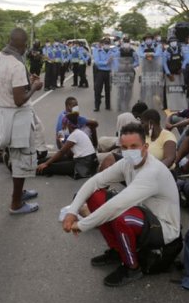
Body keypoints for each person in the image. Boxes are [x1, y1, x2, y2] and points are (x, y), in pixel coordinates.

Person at [61, 123, 181, 287]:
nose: (129, 151)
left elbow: (116, 206)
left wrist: (81, 225)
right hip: (143, 214)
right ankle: (118, 251)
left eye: (134, 146)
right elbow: (95, 181)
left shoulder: (151, 172)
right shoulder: (127, 163)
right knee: (95, 196)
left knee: (121, 216)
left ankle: (132, 267)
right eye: (124, 147)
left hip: (164, 227)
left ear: (145, 147)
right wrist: (72, 212)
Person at [0, 28, 44, 214]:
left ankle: (20, 192)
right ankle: (16, 203)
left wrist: (27, 82)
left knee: (14, 156)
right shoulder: (16, 65)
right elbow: (20, 99)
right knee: (22, 160)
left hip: (3, 114)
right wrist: (35, 87)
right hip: (18, 118)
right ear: (23, 45)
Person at [37, 114, 98, 179]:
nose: (63, 127)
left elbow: (62, 152)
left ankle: (31, 170)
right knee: (52, 159)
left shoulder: (75, 135)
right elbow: (69, 154)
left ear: (69, 125)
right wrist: (61, 140)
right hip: (85, 161)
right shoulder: (77, 133)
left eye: (64, 125)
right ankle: (36, 163)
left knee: (51, 167)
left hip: (84, 164)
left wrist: (46, 163)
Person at [93, 38, 113, 111]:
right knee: (98, 90)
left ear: (110, 44)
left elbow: (115, 61)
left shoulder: (112, 52)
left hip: (108, 72)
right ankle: (97, 106)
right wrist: (106, 62)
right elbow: (97, 62)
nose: (106, 45)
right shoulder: (98, 51)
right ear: (102, 44)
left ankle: (108, 105)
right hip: (100, 72)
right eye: (105, 43)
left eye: (108, 43)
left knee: (108, 90)